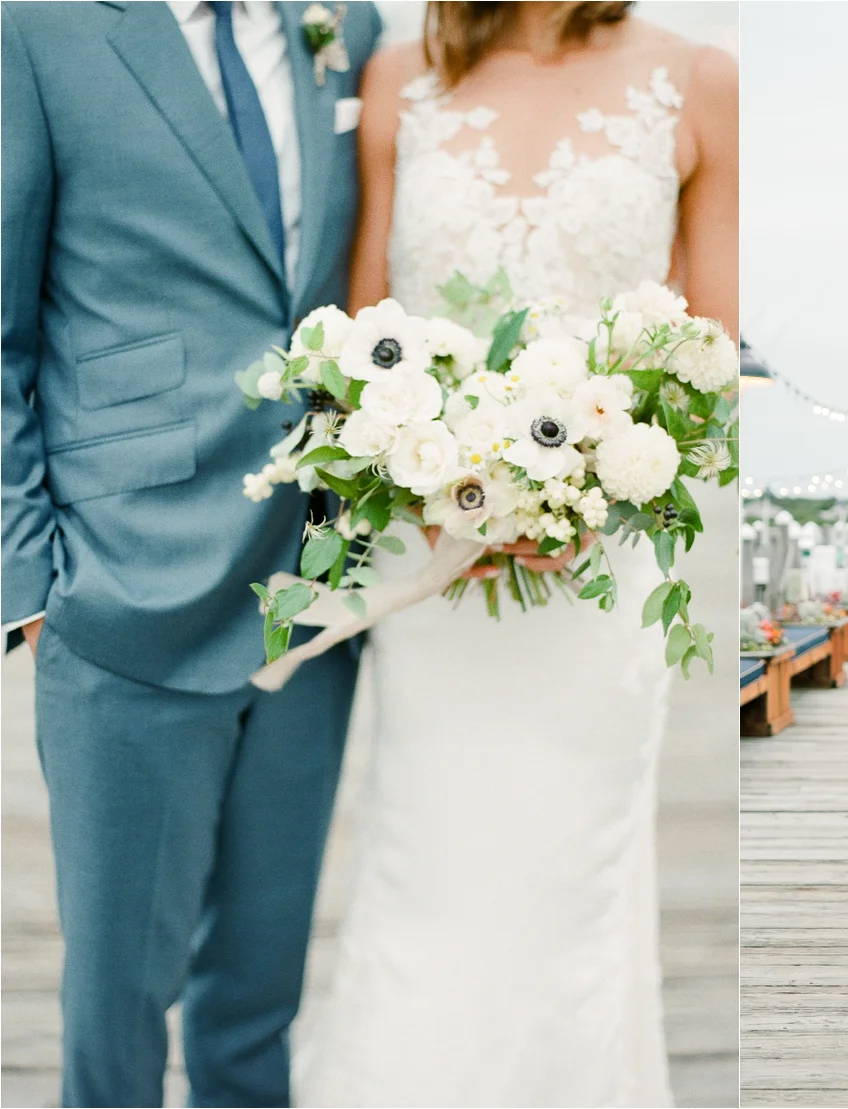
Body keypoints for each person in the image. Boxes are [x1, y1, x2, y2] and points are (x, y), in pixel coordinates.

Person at [290, 3, 738, 1104]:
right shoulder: (404, 77)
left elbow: (715, 345)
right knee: (428, 863)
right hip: (437, 560)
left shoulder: (699, 81)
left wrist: (586, 483)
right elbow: (362, 327)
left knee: (569, 875)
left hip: (596, 571)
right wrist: (431, 486)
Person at [0, 2, 381, 1104]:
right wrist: (30, 586)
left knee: (258, 997)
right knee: (117, 1001)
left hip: (312, 593)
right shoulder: (40, 30)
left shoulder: (341, 25)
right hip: (121, 588)